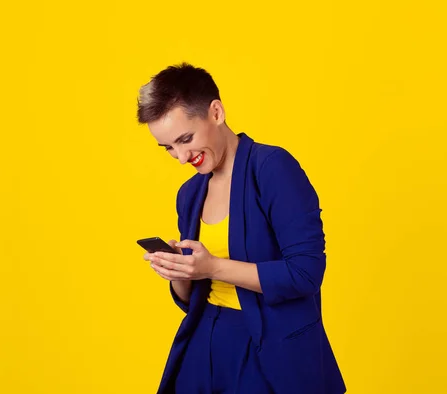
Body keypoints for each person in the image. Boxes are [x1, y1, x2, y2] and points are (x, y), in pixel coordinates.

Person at [137, 63, 346, 394]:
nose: (180, 157)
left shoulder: (273, 168)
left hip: (270, 350)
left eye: (185, 139)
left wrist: (214, 266)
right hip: (203, 342)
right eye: (169, 148)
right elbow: (190, 300)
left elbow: (306, 274)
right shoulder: (190, 194)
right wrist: (180, 270)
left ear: (216, 112)